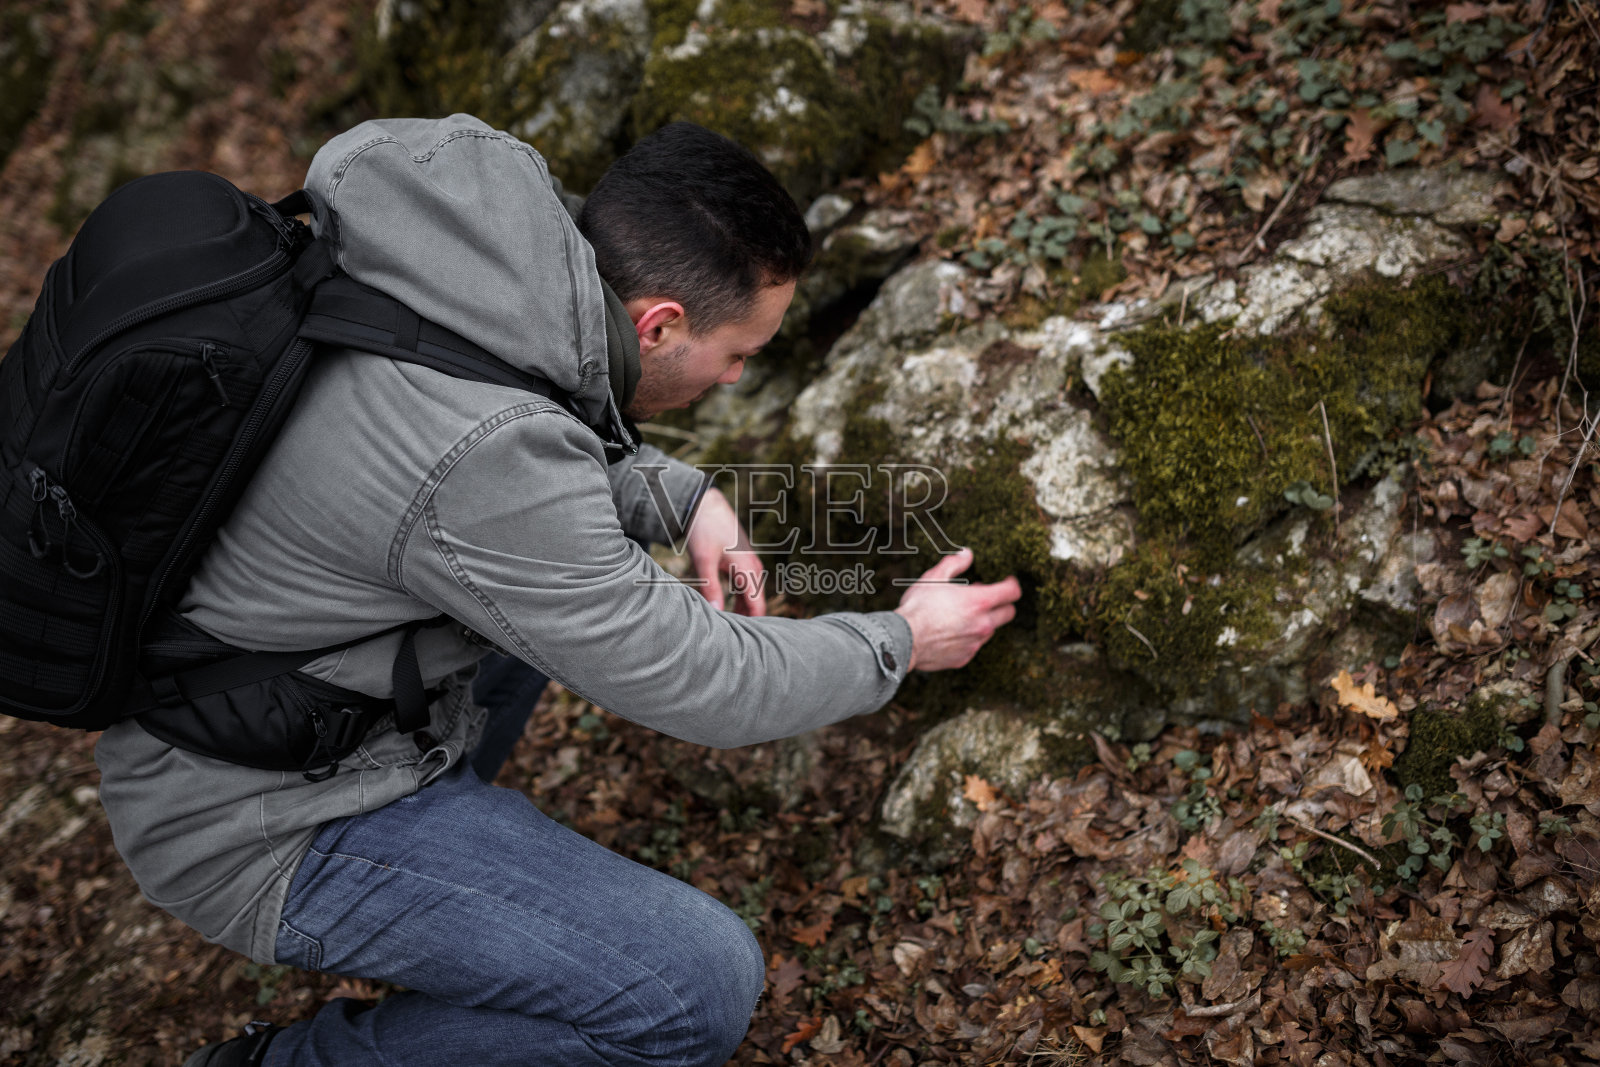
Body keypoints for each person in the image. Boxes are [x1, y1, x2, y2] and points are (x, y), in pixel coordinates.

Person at [92, 114, 1020, 1067]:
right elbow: (704, 678)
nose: (738, 375)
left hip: (264, 702)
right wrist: (901, 640)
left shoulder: (465, 255)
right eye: (739, 352)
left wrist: (685, 497)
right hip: (261, 818)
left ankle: (470, 903)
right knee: (694, 989)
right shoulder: (488, 466)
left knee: (550, 603)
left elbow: (487, 438)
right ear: (657, 323)